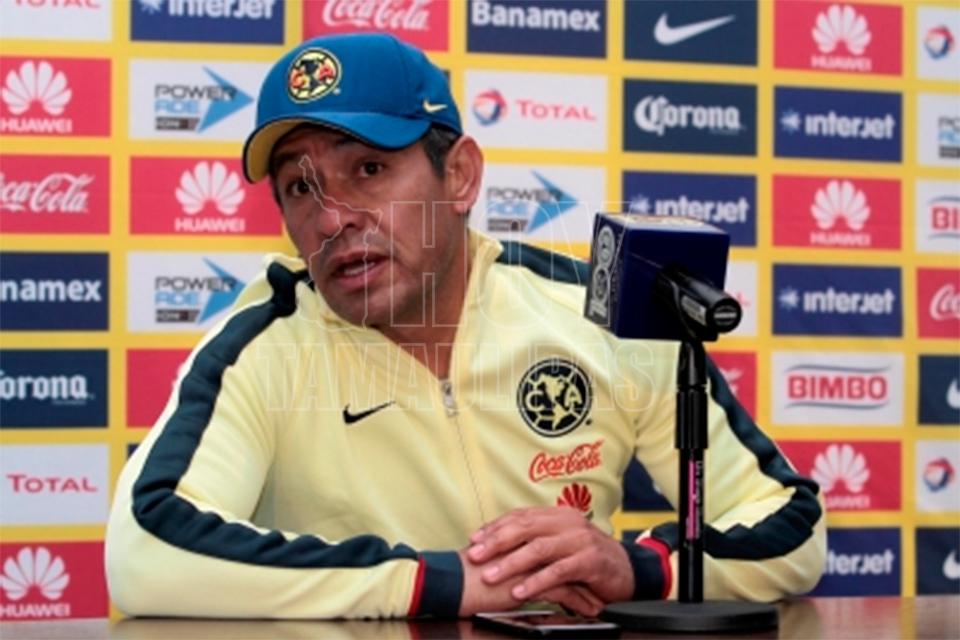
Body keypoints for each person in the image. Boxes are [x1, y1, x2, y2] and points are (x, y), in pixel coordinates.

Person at [106, 33, 826, 619]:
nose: (331, 220)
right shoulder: (263, 346)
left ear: (459, 177)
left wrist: (641, 569)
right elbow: (145, 550)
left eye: (368, 170)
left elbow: (790, 524)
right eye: (300, 187)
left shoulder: (597, 314)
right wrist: (436, 583)